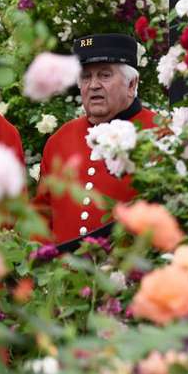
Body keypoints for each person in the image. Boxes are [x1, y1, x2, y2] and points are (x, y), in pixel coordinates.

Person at [34, 33, 156, 243]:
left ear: (131, 84)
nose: (93, 85)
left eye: (105, 75)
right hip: (63, 273)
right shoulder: (60, 140)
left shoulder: (159, 135)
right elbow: (41, 217)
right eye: (86, 77)